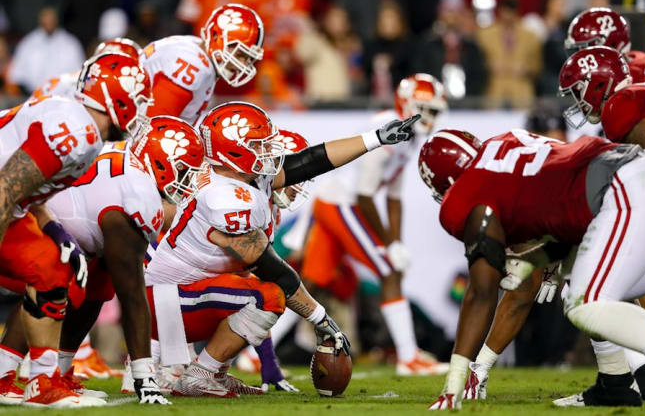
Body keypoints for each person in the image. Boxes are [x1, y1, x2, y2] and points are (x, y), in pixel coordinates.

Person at [144, 101, 420, 397]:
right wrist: (321, 319)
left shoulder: (239, 178)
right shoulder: (224, 198)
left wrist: (374, 138)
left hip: (180, 293)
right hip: (167, 303)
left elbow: (311, 160)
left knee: (255, 289)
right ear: (234, 150)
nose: (267, 153)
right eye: (258, 145)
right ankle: (201, 374)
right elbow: (273, 269)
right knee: (268, 294)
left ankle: (210, 373)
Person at [419, 128, 645, 410]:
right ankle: (615, 385)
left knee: (586, 303)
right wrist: (538, 260)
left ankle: (640, 372)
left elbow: (481, 293)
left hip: (623, 186)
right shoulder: (506, 144)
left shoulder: (468, 191)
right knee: (580, 281)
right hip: (639, 170)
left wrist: (455, 382)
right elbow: (568, 198)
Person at [1, 117, 200, 405]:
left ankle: (60, 373)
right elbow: (131, 293)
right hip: (25, 224)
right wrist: (145, 377)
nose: (186, 180)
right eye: (183, 170)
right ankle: (5, 377)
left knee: (97, 286)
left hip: (48, 223)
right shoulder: (137, 196)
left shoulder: (125, 157)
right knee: (51, 282)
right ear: (160, 162)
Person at [0, 52, 151, 407]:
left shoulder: (87, 134)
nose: (141, 108)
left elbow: (26, 188)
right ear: (116, 96)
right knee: (48, 268)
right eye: (139, 98)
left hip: (11, 203)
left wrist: (55, 231)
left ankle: (34, 381)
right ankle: (40, 381)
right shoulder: (76, 131)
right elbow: (6, 187)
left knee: (52, 268)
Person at [300, 74, 449, 375]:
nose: (431, 117)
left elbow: (394, 197)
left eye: (434, 111)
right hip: (342, 203)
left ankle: (254, 353)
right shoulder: (387, 129)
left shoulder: (407, 137)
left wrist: (395, 241)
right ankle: (408, 357)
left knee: (310, 282)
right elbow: (366, 196)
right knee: (389, 271)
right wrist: (387, 244)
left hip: (338, 202)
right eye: (426, 109)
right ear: (407, 104)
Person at [140, 3, 264, 126]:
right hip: (130, 137)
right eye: (240, 54)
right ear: (216, 37)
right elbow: (155, 127)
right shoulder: (191, 64)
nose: (242, 64)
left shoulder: (197, 49)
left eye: (248, 58)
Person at [7, 7, 85, 94]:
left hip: (63, 97)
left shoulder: (70, 43)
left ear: (56, 20)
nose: (48, 22)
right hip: (31, 96)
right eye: (45, 19)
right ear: (40, 21)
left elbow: (79, 75)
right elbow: (16, 75)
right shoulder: (28, 42)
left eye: (51, 19)